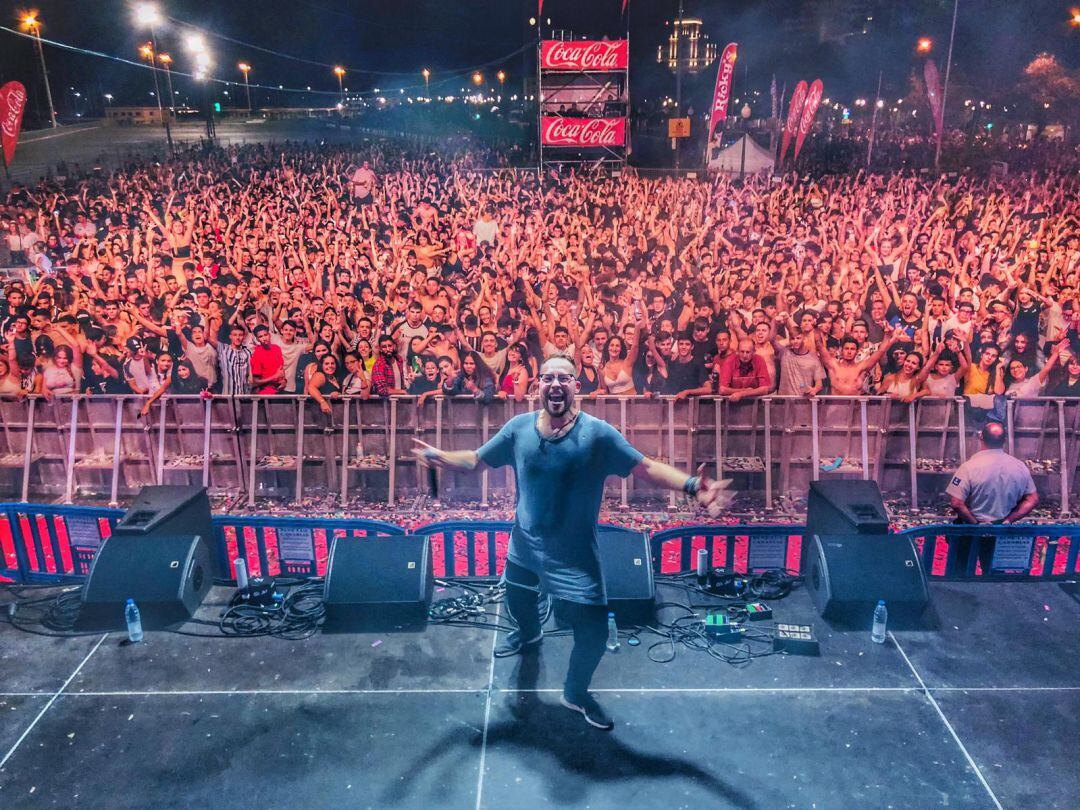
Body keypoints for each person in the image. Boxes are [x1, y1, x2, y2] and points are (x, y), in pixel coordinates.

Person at [413, 355, 731, 731]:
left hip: (576, 556)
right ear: (538, 387)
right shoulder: (518, 429)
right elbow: (476, 460)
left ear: (577, 387)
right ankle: (530, 634)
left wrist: (693, 486)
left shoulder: (597, 434)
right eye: (548, 377)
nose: (555, 384)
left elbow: (645, 467)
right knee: (519, 602)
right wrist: (441, 457)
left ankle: (575, 693)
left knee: (594, 633)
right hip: (525, 546)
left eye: (564, 377)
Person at [946, 422, 1039, 574]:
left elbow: (956, 503)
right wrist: (1009, 520)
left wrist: (976, 525)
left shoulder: (969, 467)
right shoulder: (1019, 466)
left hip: (970, 531)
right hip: (1001, 531)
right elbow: (1033, 499)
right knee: (994, 576)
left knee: (960, 574)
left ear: (981, 437)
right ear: (1004, 440)